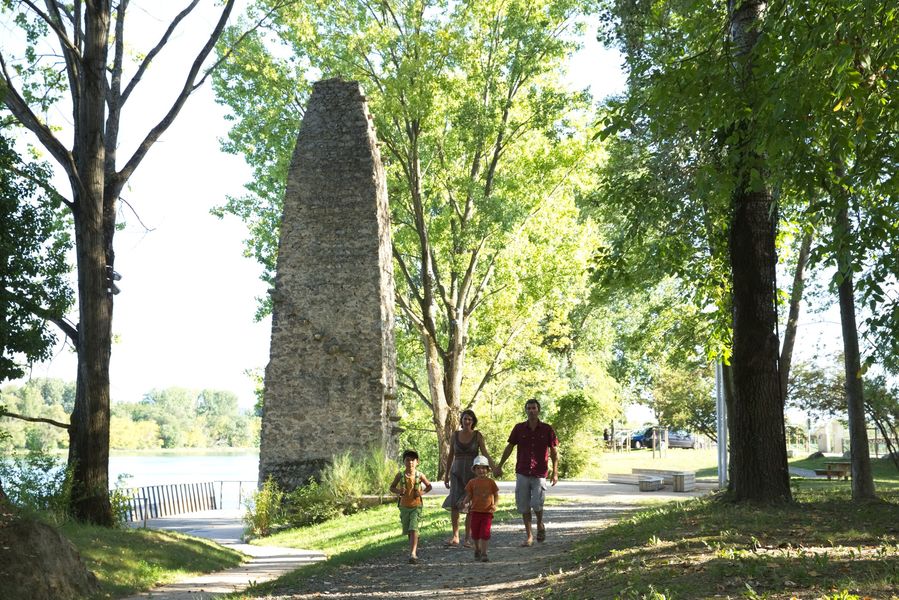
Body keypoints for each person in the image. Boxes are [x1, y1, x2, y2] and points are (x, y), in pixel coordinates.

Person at [495, 398, 559, 547]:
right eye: (529, 408)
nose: (531, 411)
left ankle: (540, 524)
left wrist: (555, 472)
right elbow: (509, 447)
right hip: (522, 471)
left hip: (539, 472)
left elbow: (554, 452)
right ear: (526, 410)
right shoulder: (519, 428)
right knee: (524, 505)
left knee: (537, 503)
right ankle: (529, 536)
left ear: (538, 410)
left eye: (534, 408)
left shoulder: (547, 429)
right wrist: (499, 465)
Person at [442, 409, 496, 547]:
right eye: (465, 419)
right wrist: (447, 474)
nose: (467, 422)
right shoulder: (455, 435)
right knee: (454, 503)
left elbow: (485, 453)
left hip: (472, 474)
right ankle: (455, 537)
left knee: (470, 505)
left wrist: (494, 468)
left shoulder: (477, 436)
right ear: (461, 420)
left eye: (469, 420)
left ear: (473, 422)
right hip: (456, 472)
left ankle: (468, 538)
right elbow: (450, 456)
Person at [389, 449, 433, 564]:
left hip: (416, 506)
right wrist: (399, 491)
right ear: (404, 462)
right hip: (404, 506)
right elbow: (392, 487)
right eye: (408, 460)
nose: (410, 462)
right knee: (409, 529)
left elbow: (429, 486)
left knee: (413, 527)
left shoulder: (420, 475)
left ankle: (413, 553)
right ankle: (413, 544)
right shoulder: (400, 475)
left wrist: (421, 493)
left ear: (417, 462)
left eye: (413, 460)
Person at [461, 455, 499, 562]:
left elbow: (496, 494)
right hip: (475, 512)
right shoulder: (472, 482)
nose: (481, 470)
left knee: (485, 533)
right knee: (475, 533)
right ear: (474, 470)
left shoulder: (491, 482)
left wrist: (495, 505)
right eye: (478, 468)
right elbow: (469, 495)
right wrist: (465, 502)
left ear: (487, 470)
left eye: (483, 468)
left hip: (487, 512)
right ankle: (477, 549)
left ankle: (484, 553)